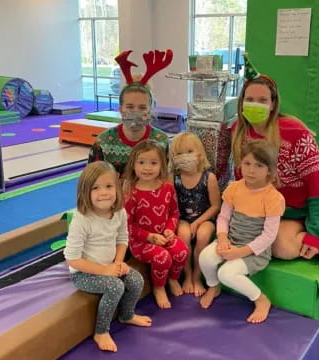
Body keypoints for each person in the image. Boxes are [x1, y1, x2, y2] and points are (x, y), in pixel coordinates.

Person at [229, 54, 319, 359]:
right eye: (249, 99)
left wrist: (315, 233)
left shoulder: (294, 132)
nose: (255, 104)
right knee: (278, 249)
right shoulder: (238, 134)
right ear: (241, 102)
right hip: (287, 213)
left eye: (262, 99)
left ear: (273, 103)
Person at [64, 161, 152, 353]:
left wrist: (119, 262)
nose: (103, 192)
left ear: (117, 189)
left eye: (109, 186)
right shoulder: (82, 219)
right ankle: (101, 331)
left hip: (110, 265)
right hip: (84, 272)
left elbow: (122, 239)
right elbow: (72, 258)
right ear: (85, 192)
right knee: (115, 286)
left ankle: (126, 315)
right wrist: (105, 271)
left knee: (136, 280)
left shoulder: (119, 212)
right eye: (96, 188)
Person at [199, 140, 285, 323]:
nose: (251, 170)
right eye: (247, 164)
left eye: (259, 165)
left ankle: (261, 300)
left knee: (226, 273)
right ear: (240, 164)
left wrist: (241, 252)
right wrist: (222, 239)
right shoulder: (234, 188)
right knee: (205, 258)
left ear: (269, 170)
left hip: (254, 251)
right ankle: (213, 287)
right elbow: (223, 218)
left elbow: (268, 236)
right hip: (231, 241)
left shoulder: (273, 198)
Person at [124, 140, 189, 309]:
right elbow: (127, 227)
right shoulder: (131, 193)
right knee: (162, 257)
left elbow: (174, 213)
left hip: (163, 235)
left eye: (153, 163)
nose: (147, 168)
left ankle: (172, 278)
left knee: (181, 251)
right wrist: (150, 237)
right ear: (133, 165)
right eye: (141, 162)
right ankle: (159, 287)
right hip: (140, 242)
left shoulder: (167, 187)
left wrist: (169, 229)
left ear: (162, 165)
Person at [88, 49, 172, 175]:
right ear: (121, 109)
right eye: (130, 107)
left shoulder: (161, 141)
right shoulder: (103, 143)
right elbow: (91, 182)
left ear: (150, 110)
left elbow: (168, 180)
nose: (135, 112)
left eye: (142, 107)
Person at [168, 132, 221, 296]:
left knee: (203, 235)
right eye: (179, 154)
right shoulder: (173, 178)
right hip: (182, 218)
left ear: (199, 153)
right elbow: (172, 205)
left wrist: (197, 223)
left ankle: (198, 276)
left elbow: (215, 206)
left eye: (189, 152)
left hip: (205, 218)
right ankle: (188, 275)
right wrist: (179, 223)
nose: (185, 157)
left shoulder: (209, 177)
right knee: (183, 235)